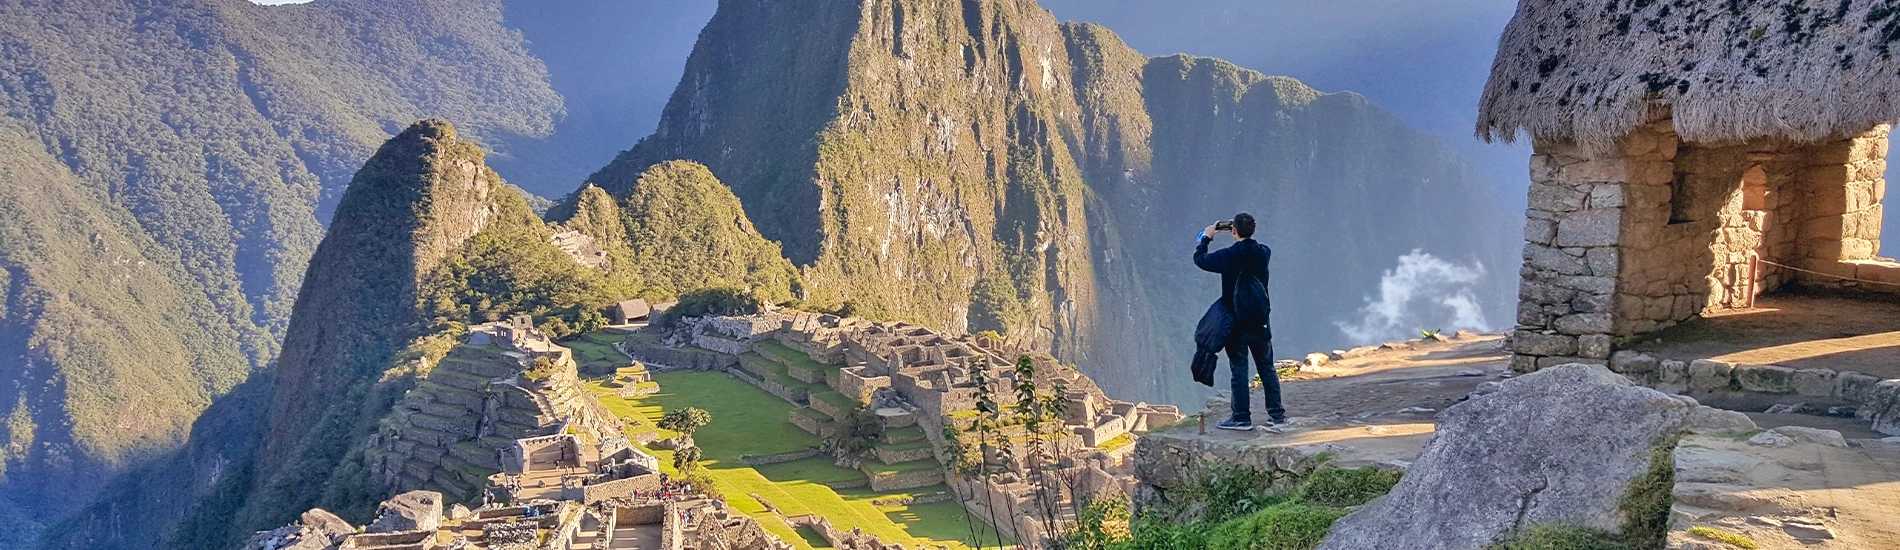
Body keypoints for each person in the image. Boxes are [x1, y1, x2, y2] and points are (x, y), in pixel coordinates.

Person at [1195, 212, 1285, 429]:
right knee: (1266, 367)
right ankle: (1277, 416)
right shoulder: (1264, 253)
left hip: (1236, 322)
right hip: (1260, 320)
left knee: (1239, 369)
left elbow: (1201, 260)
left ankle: (1241, 418)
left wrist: (1206, 237)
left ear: (1233, 231)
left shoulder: (1228, 256)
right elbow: (1255, 248)